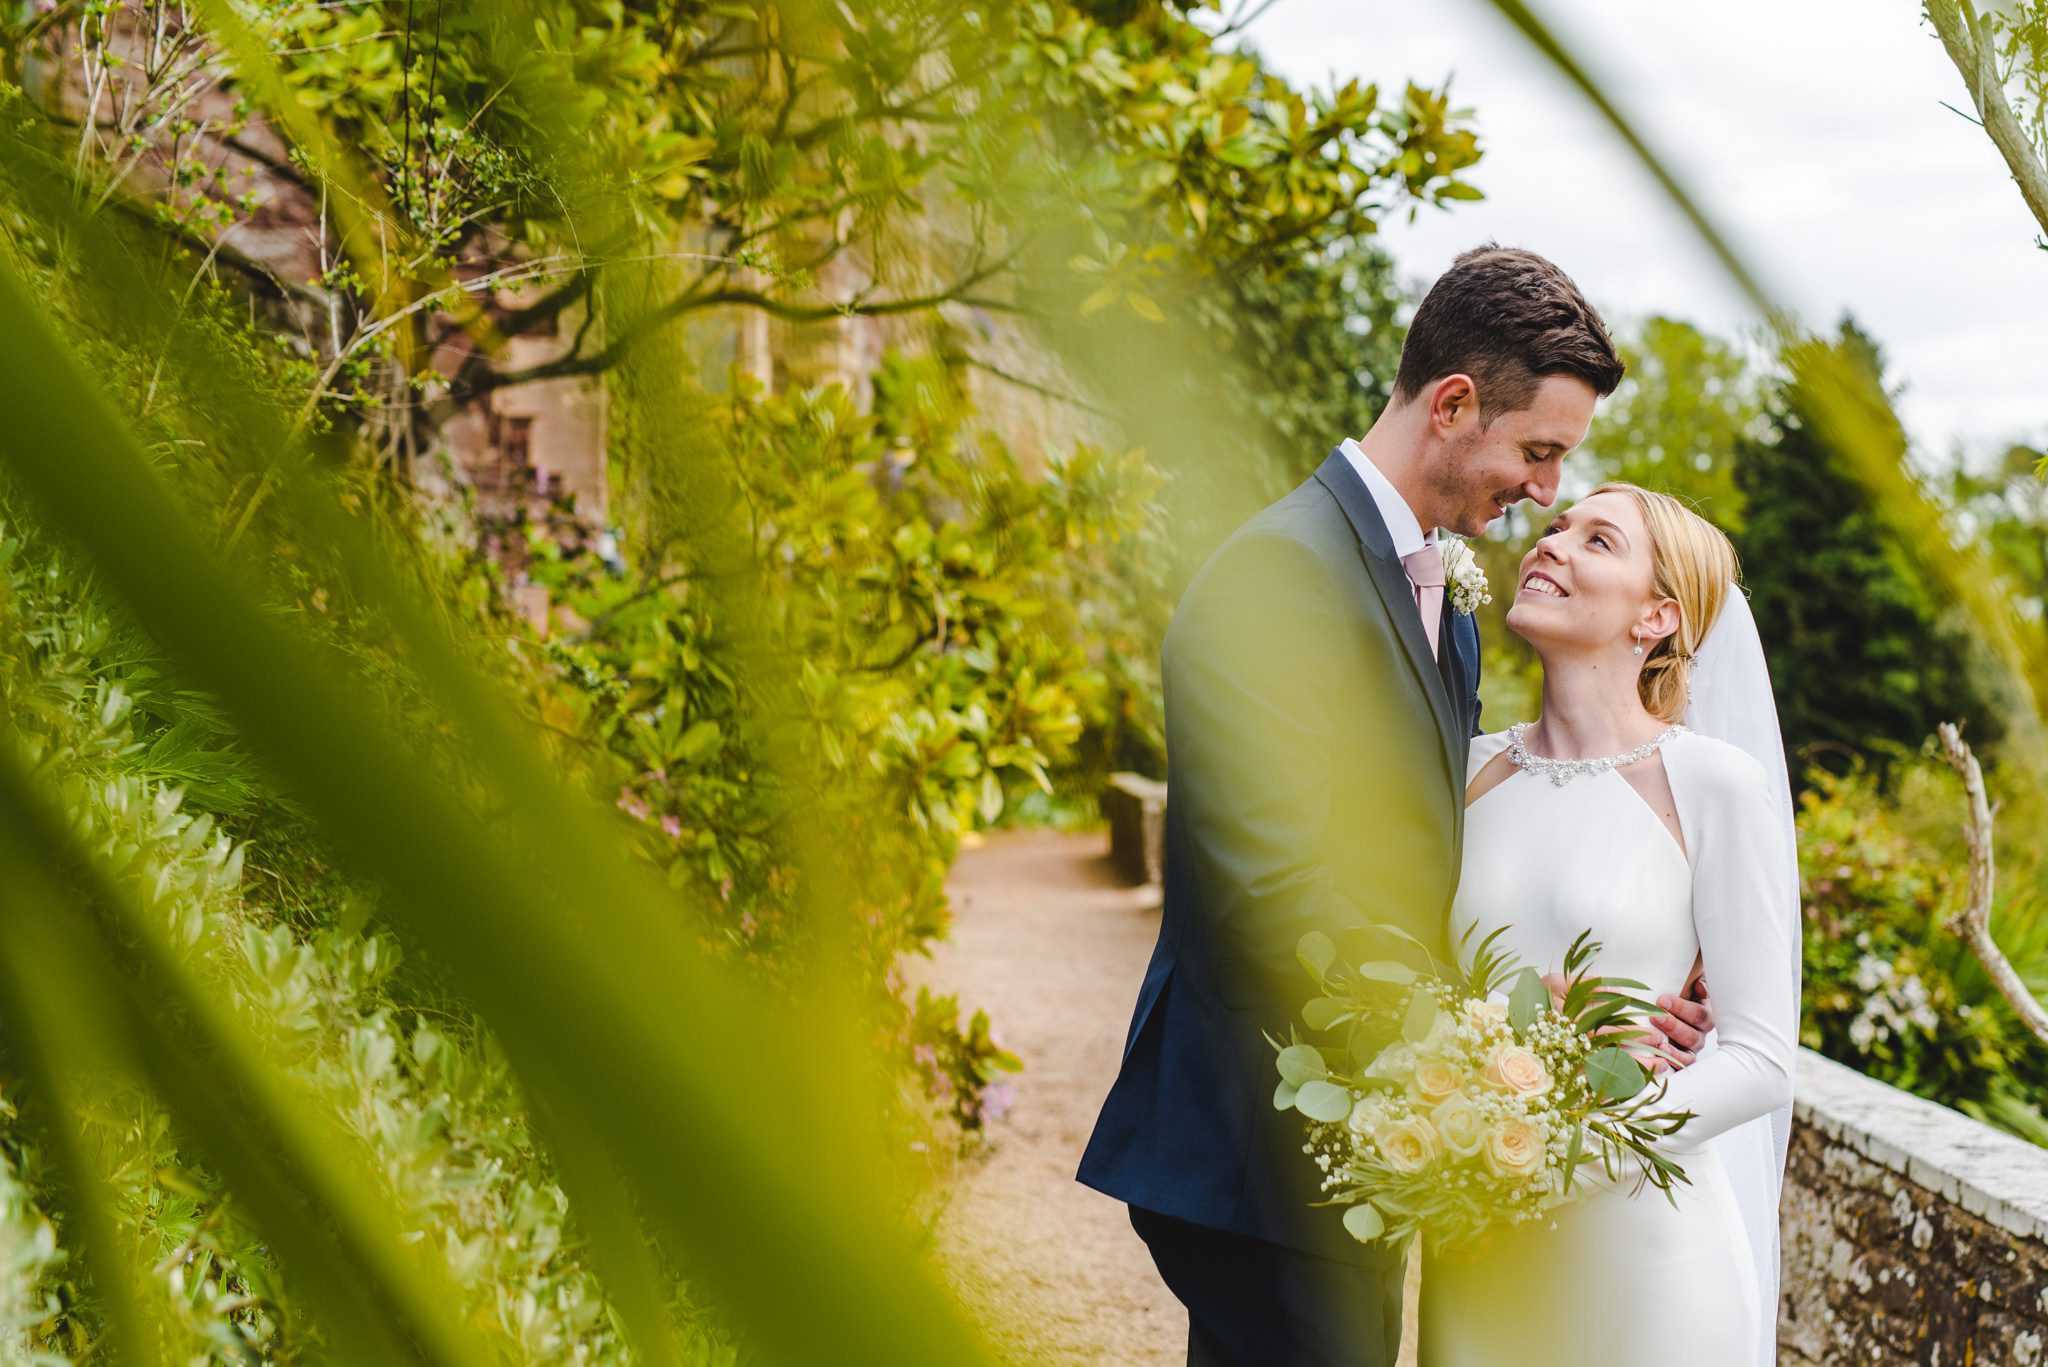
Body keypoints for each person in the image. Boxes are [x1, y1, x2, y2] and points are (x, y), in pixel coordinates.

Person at [1077, 245, 1717, 1365]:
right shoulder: (1276, 575)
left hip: (1345, 1142)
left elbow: (1426, 856)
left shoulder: (1447, 602)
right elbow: (1273, 887)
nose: (1544, 491)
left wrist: (1623, 980)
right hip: (1251, 1143)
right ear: (1454, 405)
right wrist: (1497, 1049)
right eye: (1536, 451)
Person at [1422, 484, 1798, 1366]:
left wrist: (1562, 1153)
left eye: (1597, 540)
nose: (1551, 544)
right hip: (1480, 1242)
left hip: (1649, 1256)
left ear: (1657, 617)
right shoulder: (1465, 769)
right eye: (1554, 528)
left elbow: (1760, 1058)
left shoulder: (1713, 785)